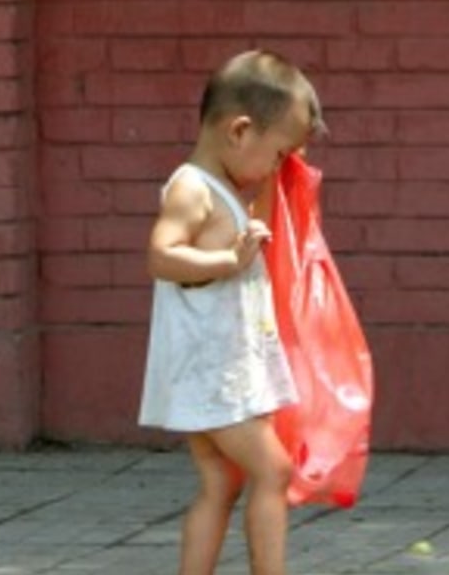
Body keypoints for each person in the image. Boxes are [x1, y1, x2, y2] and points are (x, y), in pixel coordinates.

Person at [140, 50, 325, 575]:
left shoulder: (223, 185)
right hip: (210, 372)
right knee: (274, 472)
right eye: (278, 154)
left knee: (222, 481)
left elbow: (259, 228)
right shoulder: (190, 189)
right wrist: (226, 259)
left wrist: (280, 182)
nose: (277, 165)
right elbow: (161, 255)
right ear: (240, 131)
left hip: (219, 368)